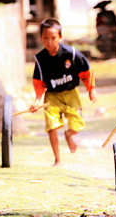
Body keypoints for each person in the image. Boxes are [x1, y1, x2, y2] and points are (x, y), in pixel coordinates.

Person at [29, 18, 97, 166]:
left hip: (71, 94)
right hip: (51, 97)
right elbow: (39, 83)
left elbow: (86, 71)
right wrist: (37, 101)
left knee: (76, 124)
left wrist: (91, 90)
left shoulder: (71, 54)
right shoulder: (40, 59)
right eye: (45, 38)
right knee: (51, 127)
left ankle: (69, 135)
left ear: (60, 37)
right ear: (41, 38)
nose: (49, 41)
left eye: (53, 38)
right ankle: (57, 159)